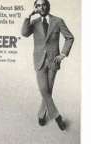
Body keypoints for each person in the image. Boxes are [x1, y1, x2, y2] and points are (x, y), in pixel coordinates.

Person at [21, 0, 74, 130]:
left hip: (53, 61)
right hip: (39, 60)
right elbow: (24, 33)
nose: (42, 7)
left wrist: (63, 54)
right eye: (38, 5)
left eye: (44, 4)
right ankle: (57, 116)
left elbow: (69, 37)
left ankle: (41, 115)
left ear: (48, 6)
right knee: (44, 89)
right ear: (36, 8)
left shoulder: (58, 21)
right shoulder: (34, 22)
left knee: (48, 91)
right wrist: (28, 16)